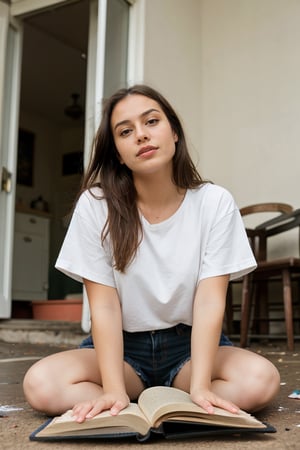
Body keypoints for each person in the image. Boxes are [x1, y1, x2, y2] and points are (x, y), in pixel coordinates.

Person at [23, 84, 280, 423]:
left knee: (261, 380)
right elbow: (103, 305)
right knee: (41, 385)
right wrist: (112, 387)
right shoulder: (95, 206)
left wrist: (202, 385)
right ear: (117, 151)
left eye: (152, 122)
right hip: (124, 351)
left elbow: (209, 302)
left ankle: (169, 398)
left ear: (174, 131)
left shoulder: (214, 202)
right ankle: (136, 401)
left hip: (190, 350)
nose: (141, 136)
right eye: (125, 131)